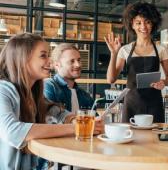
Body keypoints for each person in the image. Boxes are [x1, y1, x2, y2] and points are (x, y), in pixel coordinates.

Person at [0, 33, 103, 170]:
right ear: (23, 59)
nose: (50, 61)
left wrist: (74, 120)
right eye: (43, 56)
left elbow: (56, 111)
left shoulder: (31, 92)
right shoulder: (3, 90)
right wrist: (78, 128)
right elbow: (13, 131)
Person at [105, 1, 168, 122]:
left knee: (154, 139)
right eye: (138, 23)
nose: (143, 27)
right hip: (132, 102)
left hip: (154, 103)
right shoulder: (125, 50)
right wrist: (113, 53)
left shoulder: (161, 49)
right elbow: (111, 79)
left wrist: (163, 82)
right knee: (130, 137)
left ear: (153, 23)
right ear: (132, 24)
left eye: (147, 22)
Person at [44, 43, 94, 112]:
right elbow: (50, 118)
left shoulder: (85, 95)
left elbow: (94, 120)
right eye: (72, 61)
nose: (78, 65)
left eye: (79, 60)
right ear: (57, 65)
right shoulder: (49, 86)